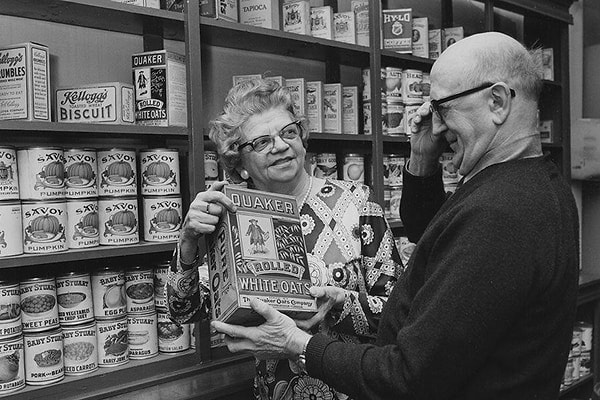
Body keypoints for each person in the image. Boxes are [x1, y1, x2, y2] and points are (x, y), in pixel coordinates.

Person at [211, 32, 580, 400]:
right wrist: (422, 160)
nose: (434, 126)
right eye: (260, 142)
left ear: (497, 102)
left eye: (442, 107)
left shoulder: (499, 212)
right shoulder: (532, 186)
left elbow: (408, 376)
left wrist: (300, 344)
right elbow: (436, 238)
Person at [165, 78, 404, 399]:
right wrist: (188, 242)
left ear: (303, 139)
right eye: (262, 142)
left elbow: (400, 316)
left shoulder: (356, 202)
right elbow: (185, 312)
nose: (280, 145)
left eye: (288, 132)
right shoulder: (234, 214)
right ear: (240, 163)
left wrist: (338, 305)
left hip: (356, 386)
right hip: (278, 390)